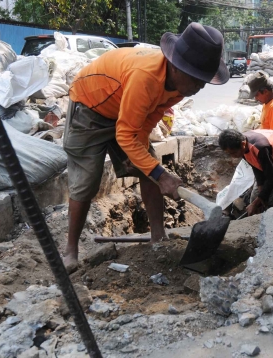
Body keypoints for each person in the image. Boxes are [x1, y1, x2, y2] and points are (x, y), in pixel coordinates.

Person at [62, 23, 229, 272]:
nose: (201, 86)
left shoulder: (180, 85)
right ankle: (70, 250)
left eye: (204, 79)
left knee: (148, 167)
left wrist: (150, 168)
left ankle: (158, 237)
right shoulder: (147, 76)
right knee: (87, 180)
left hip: (125, 109)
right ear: (176, 66)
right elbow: (125, 134)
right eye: (196, 78)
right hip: (91, 106)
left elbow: (150, 117)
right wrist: (162, 176)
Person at [219, 129, 273, 216]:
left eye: (233, 153)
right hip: (270, 162)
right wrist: (260, 191)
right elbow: (255, 166)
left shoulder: (260, 147)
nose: (232, 156)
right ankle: (269, 216)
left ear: (243, 144)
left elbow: (271, 178)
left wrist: (257, 201)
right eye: (229, 154)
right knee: (259, 198)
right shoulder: (241, 146)